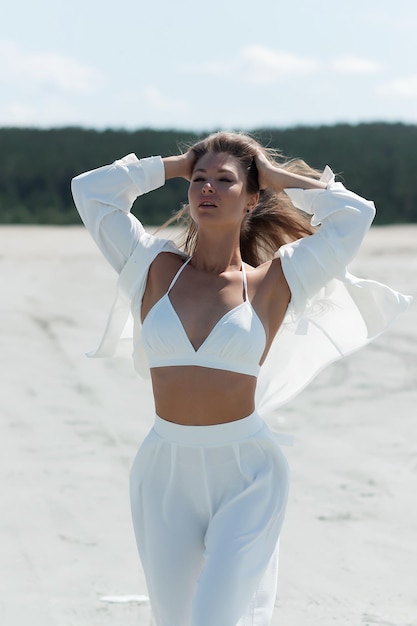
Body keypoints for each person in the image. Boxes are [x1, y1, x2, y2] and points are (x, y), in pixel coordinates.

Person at [71, 131, 410, 626]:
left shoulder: (276, 281)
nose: (207, 187)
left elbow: (355, 215)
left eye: (224, 180)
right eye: (199, 179)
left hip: (247, 473)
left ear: (252, 198)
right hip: (165, 469)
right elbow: (91, 191)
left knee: (216, 619)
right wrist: (174, 164)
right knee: (176, 619)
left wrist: (277, 179)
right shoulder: (152, 268)